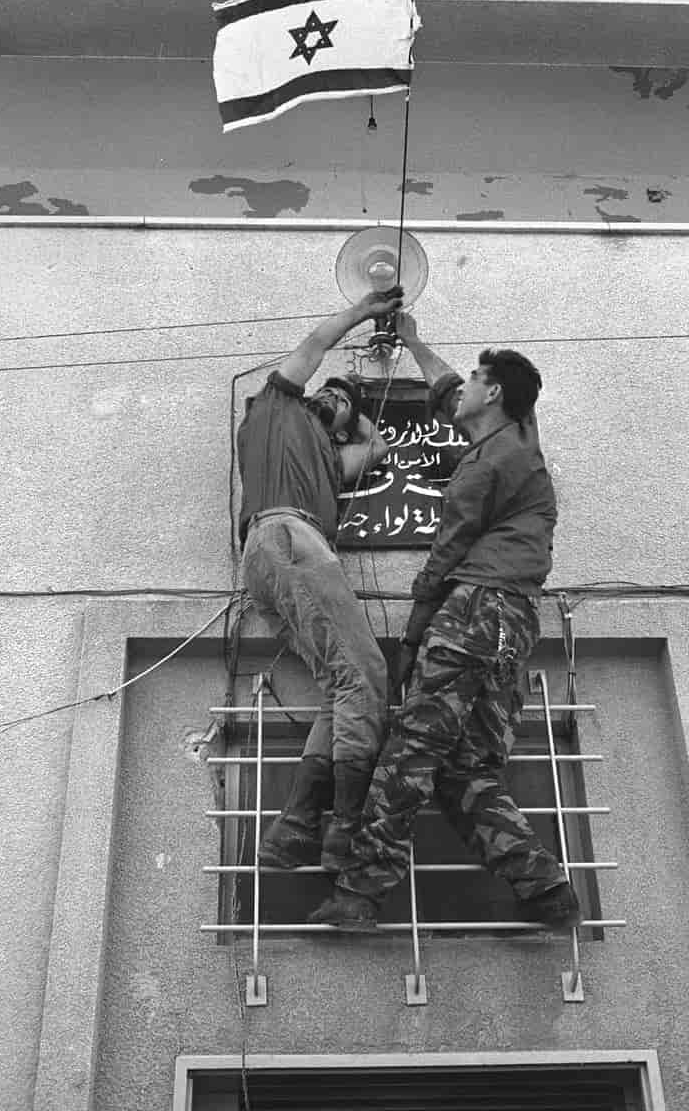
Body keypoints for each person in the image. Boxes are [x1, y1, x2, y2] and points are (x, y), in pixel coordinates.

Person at [309, 310, 580, 928]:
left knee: (411, 751)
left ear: (494, 394)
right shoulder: (519, 439)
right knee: (467, 771)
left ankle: (358, 893)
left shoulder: (480, 470)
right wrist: (407, 337)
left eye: (477, 379)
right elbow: (447, 388)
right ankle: (545, 890)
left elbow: (445, 556)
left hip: (475, 611)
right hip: (514, 627)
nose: (464, 388)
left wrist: (412, 635)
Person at [237, 286, 403, 873]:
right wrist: (365, 312)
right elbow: (312, 347)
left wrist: (352, 412)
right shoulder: (277, 408)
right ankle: (346, 829)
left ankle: (296, 828)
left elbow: (378, 446)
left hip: (280, 555)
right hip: (288, 536)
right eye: (327, 391)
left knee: (346, 684)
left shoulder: (330, 460)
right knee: (370, 674)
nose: (334, 396)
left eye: (343, 399)